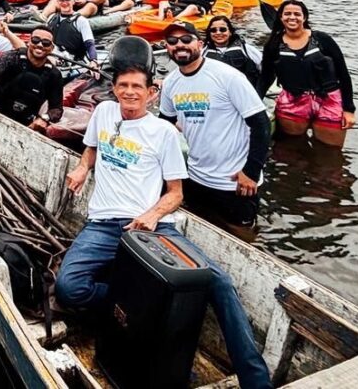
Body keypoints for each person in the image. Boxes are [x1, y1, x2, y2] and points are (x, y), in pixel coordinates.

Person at [56, 55, 272, 389]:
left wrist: (152, 215)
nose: (129, 93)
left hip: (150, 229)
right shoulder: (103, 112)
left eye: (137, 87)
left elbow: (175, 194)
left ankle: (256, 380)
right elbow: (91, 149)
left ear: (151, 93)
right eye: (123, 86)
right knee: (69, 288)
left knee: (219, 282)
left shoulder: (164, 133)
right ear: (114, 89)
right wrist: (83, 167)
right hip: (103, 224)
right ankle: (138, 302)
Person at [159, 21, 270, 231]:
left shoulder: (228, 76)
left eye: (186, 39)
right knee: (200, 227)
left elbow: (261, 125)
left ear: (200, 44)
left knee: (242, 233)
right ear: (167, 47)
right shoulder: (171, 83)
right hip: (195, 176)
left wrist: (252, 172)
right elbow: (164, 125)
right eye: (172, 41)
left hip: (234, 180)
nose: (179, 45)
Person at [257, 0, 355, 148]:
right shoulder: (273, 45)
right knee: (290, 149)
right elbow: (266, 78)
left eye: (297, 14)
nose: (292, 17)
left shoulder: (322, 39)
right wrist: (254, 105)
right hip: (292, 101)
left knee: (330, 151)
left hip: (329, 100)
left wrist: (349, 109)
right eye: (287, 14)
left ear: (305, 17)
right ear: (281, 17)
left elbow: (343, 75)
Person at [0, 25, 64, 130]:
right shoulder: (12, 57)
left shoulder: (54, 75)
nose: (40, 45)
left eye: (46, 43)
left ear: (52, 48)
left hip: (24, 126)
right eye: (35, 40)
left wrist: (45, 118)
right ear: (29, 42)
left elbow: (57, 109)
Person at [204, 15, 262, 84]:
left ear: (230, 32)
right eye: (213, 30)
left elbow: (266, 68)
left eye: (223, 29)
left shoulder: (246, 49)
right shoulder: (203, 52)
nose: (218, 33)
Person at [45, 0, 98, 64]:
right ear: (57, 1)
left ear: (73, 1)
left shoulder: (81, 21)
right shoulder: (52, 18)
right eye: (61, 0)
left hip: (71, 59)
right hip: (51, 54)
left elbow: (89, 43)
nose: (64, 3)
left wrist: (93, 60)